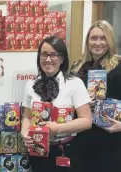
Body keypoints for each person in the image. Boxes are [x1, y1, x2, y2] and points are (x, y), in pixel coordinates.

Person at [21, 35, 92, 172]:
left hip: (64, 149)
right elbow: (27, 117)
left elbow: (87, 121)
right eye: (44, 54)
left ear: (62, 58)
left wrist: (57, 128)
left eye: (54, 55)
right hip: (37, 150)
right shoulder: (30, 84)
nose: (48, 59)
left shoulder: (74, 84)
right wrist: (24, 132)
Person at [70, 20, 121, 172]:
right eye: (93, 38)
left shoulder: (118, 66)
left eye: (103, 38)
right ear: (87, 41)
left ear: (110, 40)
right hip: (81, 138)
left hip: (111, 139)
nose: (98, 42)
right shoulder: (77, 66)